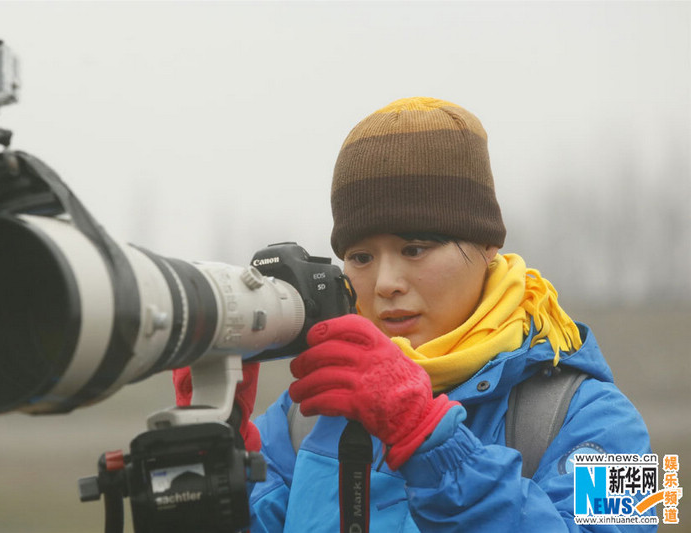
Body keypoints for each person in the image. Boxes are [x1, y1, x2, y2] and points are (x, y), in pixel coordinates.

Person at [175, 97, 654, 531]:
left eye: (415, 248)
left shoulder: (606, 419)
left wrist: (431, 441)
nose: (385, 283)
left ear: (488, 246)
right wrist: (212, 454)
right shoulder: (306, 416)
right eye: (361, 257)